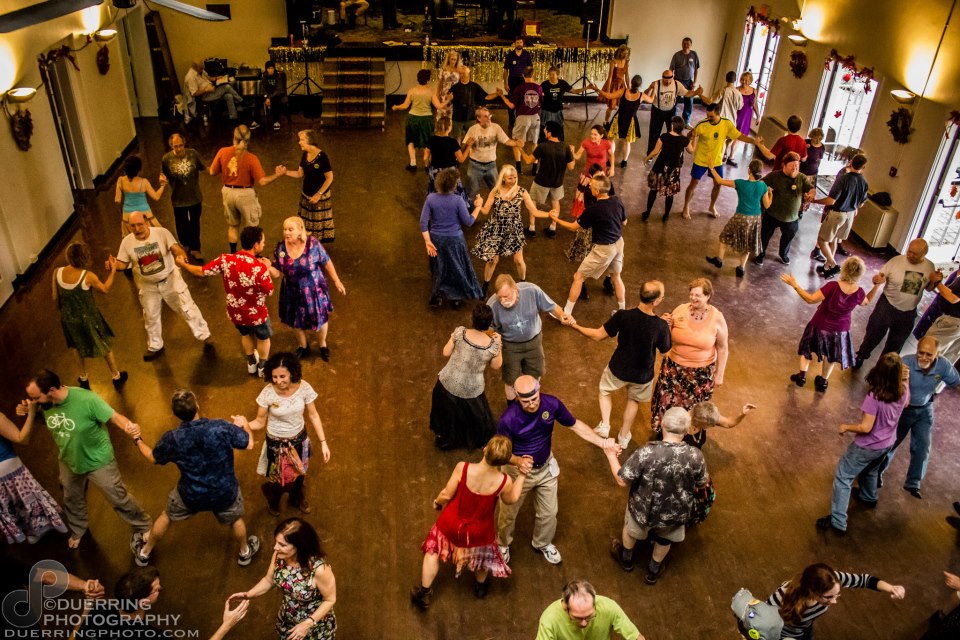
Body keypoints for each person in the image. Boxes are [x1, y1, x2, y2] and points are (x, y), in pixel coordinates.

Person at [128, 389, 259, 567]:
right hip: (224, 492)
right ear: (197, 405)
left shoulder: (172, 438)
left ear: (175, 413)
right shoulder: (220, 427)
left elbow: (153, 458)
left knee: (166, 516)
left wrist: (137, 439)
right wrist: (243, 424)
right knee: (236, 519)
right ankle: (245, 552)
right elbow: (249, 444)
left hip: (190, 494)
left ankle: (144, 553)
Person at [21, 369, 151, 549]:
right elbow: (48, 420)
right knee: (71, 497)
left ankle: (144, 524)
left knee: (118, 497)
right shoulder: (45, 405)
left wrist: (131, 428)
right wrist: (28, 412)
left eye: (35, 398)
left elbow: (114, 416)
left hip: (98, 460)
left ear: (51, 390)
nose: (33, 402)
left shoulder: (87, 399)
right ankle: (79, 528)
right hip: (69, 459)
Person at [496, 375, 618, 565]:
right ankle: (502, 544)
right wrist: (518, 461)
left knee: (549, 513)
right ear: (517, 397)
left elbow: (575, 425)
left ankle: (542, 543)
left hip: (545, 468)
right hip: (517, 472)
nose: (531, 404)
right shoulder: (508, 419)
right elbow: (501, 453)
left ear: (539, 390)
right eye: (525, 401)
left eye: (534, 398)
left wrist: (602, 443)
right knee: (508, 514)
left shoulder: (551, 404)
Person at [411, 435, 529, 609]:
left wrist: (437, 502)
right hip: (479, 531)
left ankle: (424, 593)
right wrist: (522, 475)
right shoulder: (503, 481)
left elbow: (446, 494)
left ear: (485, 450)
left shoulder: (463, 468)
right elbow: (511, 499)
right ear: (503, 461)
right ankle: (480, 589)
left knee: (433, 550)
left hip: (451, 523)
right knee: (481, 560)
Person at [606, 407, 709, 585]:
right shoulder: (696, 455)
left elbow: (623, 480)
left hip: (643, 509)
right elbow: (702, 483)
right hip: (675, 513)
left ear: (662, 424)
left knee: (632, 531)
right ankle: (653, 570)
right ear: (687, 430)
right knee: (664, 539)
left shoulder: (646, 452)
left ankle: (626, 559)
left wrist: (610, 455)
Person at [568, 280, 671, 449]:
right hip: (643, 374)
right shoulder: (660, 326)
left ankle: (605, 425)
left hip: (618, 368)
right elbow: (665, 352)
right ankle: (623, 436)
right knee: (633, 400)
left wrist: (575, 325)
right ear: (657, 301)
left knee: (604, 390)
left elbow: (597, 335)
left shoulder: (623, 316)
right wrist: (666, 327)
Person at [816, 353, 909, 533]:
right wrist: (907, 381)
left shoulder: (874, 397)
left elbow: (866, 427)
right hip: (888, 443)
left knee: (844, 478)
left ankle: (838, 521)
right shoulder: (904, 388)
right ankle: (869, 497)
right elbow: (906, 405)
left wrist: (846, 427)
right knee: (871, 469)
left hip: (867, 446)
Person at [114, 212, 213, 361]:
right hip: (147, 286)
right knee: (150, 316)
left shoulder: (161, 233)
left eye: (140, 224)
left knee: (187, 308)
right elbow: (122, 263)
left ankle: (205, 336)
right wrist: (114, 265)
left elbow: (175, 248)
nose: (137, 229)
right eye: (133, 226)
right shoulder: (127, 242)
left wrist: (180, 255)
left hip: (170, 281)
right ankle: (155, 346)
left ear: (146, 222)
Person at [240, 353, 330, 516]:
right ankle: (273, 500)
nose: (278, 381)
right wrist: (244, 424)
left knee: (300, 473)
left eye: (283, 376)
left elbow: (313, 415)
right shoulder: (267, 393)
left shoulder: (304, 388)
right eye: (274, 377)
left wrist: (323, 442)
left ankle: (297, 496)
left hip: (300, 441)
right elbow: (259, 422)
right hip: (276, 445)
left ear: (292, 373)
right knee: (278, 480)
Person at [177, 226, 274, 377]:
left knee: (246, 335)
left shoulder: (225, 260)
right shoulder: (259, 268)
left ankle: (251, 363)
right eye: (263, 242)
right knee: (263, 338)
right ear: (256, 245)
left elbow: (201, 271)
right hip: (257, 314)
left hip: (236, 313)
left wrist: (183, 264)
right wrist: (266, 267)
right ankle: (263, 367)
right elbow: (270, 291)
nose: (264, 244)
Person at [876, 336, 960, 499]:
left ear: (938, 353)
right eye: (921, 353)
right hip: (903, 410)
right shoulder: (904, 363)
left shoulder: (943, 365)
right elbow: (881, 382)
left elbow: (956, 382)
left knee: (923, 445)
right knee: (890, 444)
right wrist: (898, 379)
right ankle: (877, 473)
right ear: (916, 351)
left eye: (929, 354)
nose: (924, 357)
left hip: (925, 408)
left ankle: (913, 483)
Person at [782, 257, 880, 392]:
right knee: (832, 356)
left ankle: (802, 376)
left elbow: (810, 300)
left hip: (820, 324)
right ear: (859, 273)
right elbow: (866, 302)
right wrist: (877, 285)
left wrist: (795, 285)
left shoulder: (832, 286)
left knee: (808, 348)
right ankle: (823, 382)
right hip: (840, 330)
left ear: (844, 269)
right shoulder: (859, 292)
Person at [231, 518, 337, 640]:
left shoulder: (319, 570)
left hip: (314, 624)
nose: (275, 547)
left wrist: (307, 623)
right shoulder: (279, 556)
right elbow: (269, 580)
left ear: (299, 546)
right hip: (289, 616)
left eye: (282, 545)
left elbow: (330, 600)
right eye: (276, 542)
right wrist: (249, 594)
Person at [650, 278, 729, 432]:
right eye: (691, 294)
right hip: (673, 369)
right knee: (667, 403)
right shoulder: (680, 310)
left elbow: (723, 347)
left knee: (694, 408)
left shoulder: (717, 318)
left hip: (700, 375)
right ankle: (666, 432)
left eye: (698, 295)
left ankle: (687, 435)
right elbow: (665, 337)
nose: (693, 298)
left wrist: (720, 374)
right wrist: (664, 324)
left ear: (707, 296)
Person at [854, 238, 939, 368]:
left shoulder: (929, 267)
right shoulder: (896, 261)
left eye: (914, 254)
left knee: (895, 344)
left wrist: (933, 282)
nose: (909, 255)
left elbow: (929, 288)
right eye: (909, 251)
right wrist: (877, 279)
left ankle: (883, 369)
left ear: (924, 254)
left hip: (908, 312)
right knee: (873, 334)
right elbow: (879, 277)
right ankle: (861, 356)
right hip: (887, 305)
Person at [270, 217, 346, 361]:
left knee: (321, 319)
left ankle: (323, 344)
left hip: (314, 291)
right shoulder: (281, 248)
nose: (286, 232)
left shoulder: (313, 244)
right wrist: (267, 267)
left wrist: (337, 280)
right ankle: (303, 346)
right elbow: (277, 272)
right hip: (291, 292)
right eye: (285, 229)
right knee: (294, 320)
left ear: (300, 230)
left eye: (290, 229)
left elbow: (327, 261)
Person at [54, 242, 127, 390]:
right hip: (89, 318)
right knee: (104, 344)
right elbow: (105, 289)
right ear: (85, 257)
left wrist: (63, 314)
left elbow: (55, 297)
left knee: (76, 346)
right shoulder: (88, 276)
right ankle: (116, 376)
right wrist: (113, 271)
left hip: (69, 318)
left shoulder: (57, 272)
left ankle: (83, 378)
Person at [472, 164, 555, 293]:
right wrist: (479, 205)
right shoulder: (496, 191)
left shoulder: (521, 192)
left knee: (518, 260)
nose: (513, 180)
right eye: (510, 178)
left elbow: (535, 211)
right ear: (503, 178)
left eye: (515, 177)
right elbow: (485, 211)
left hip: (513, 230)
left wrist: (549, 214)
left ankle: (523, 283)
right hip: (496, 229)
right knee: (493, 260)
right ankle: (485, 285)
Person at [429, 304, 503, 450]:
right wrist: (499, 345)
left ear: (472, 318)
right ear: (489, 323)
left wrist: (452, 337)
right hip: (472, 389)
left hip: (447, 383)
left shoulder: (460, 332)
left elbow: (445, 352)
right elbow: (496, 366)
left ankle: (446, 439)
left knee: (447, 414)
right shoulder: (492, 345)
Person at [551, 174, 627, 314]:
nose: (590, 188)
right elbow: (624, 221)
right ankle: (622, 312)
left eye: (591, 187)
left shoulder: (593, 210)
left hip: (604, 249)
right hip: (619, 244)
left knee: (578, 277)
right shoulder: (617, 201)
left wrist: (555, 219)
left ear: (597, 192)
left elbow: (573, 227)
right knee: (616, 277)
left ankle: (566, 313)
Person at [487, 275, 569, 401]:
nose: (503, 301)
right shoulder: (492, 305)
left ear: (515, 289)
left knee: (536, 373)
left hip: (534, 342)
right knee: (510, 379)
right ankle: (512, 407)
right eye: (500, 297)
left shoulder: (532, 291)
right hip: (510, 346)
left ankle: (532, 400)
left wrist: (562, 315)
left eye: (506, 296)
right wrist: (493, 337)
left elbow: (551, 306)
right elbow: (488, 328)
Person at [768, 563, 905, 638]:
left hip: (805, 629)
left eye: (837, 594)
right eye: (828, 597)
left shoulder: (832, 580)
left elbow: (865, 580)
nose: (834, 601)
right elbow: (764, 622)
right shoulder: (783, 598)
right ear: (812, 592)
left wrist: (891, 588)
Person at [210, 125, 287, 252]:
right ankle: (252, 255)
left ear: (233, 137)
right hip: (245, 194)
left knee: (233, 226)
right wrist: (277, 175)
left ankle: (233, 254)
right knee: (252, 227)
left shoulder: (222, 151)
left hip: (228, 192)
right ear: (248, 140)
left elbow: (212, 171)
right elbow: (262, 181)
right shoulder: (251, 158)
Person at [682, 102, 760, 219]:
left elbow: (739, 136)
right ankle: (686, 206)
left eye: (711, 116)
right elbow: (689, 138)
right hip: (701, 160)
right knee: (694, 184)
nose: (708, 118)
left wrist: (753, 141)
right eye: (707, 115)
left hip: (717, 161)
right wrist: (690, 135)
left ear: (718, 113)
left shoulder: (726, 124)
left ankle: (712, 206)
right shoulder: (702, 124)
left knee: (718, 185)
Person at [0, 410, 67, 543]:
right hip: (9, 468)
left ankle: (28, 531)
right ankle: (35, 530)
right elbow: (22, 438)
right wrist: (32, 412)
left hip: (7, 469)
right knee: (25, 503)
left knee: (11, 507)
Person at [421, 167, 482, 308]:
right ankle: (456, 298)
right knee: (457, 268)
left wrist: (428, 241)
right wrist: (478, 206)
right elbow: (469, 222)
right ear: (454, 185)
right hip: (455, 240)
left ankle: (437, 296)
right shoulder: (457, 200)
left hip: (436, 240)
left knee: (438, 268)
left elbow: (423, 223)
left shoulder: (430, 198)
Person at [704, 160, 773, 278]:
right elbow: (767, 205)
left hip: (740, 216)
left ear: (749, 170)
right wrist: (770, 194)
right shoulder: (763, 186)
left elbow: (719, 181)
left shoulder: (740, 183)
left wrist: (711, 168)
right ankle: (741, 269)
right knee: (747, 244)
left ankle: (719, 260)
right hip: (755, 219)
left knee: (724, 236)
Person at [754, 151, 816, 266]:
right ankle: (760, 254)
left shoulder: (801, 178)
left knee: (787, 239)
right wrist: (765, 189)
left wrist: (810, 195)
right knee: (764, 236)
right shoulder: (774, 175)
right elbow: (761, 183)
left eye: (797, 166)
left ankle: (783, 254)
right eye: (792, 165)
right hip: (772, 214)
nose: (795, 168)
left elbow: (811, 188)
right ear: (784, 165)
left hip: (791, 218)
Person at [813, 154, 869, 278]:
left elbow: (831, 201)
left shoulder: (844, 179)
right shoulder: (864, 182)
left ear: (851, 162)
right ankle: (827, 268)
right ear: (863, 167)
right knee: (835, 240)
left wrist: (814, 201)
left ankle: (833, 264)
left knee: (822, 240)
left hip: (837, 214)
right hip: (850, 215)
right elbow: (861, 204)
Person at [535, 580, 645, 640]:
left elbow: (635, 636)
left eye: (589, 616)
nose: (584, 623)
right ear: (565, 607)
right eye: (577, 618)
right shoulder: (549, 619)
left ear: (594, 603)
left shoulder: (609, 607)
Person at [77, 566, 167, 637]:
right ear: (144, 603)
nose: (160, 588)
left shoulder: (98, 611)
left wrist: (89, 604)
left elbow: (74, 637)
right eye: (157, 589)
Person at [521, 120, 575, 237]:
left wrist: (520, 148)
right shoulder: (565, 147)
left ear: (549, 133)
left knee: (533, 202)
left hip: (541, 181)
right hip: (557, 182)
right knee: (555, 202)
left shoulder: (543, 146)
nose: (544, 131)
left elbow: (528, 160)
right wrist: (572, 152)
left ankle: (531, 228)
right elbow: (571, 166)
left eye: (545, 129)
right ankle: (552, 228)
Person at [282, 130, 335, 243]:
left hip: (319, 199)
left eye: (302, 140)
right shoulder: (305, 155)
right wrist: (285, 172)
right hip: (306, 196)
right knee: (306, 225)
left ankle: (316, 249)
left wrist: (318, 194)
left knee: (317, 226)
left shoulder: (322, 157)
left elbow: (329, 177)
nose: (299, 143)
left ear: (310, 141)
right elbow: (300, 173)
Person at [392, 69, 448, 172]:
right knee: (427, 142)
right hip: (426, 120)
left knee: (411, 140)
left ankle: (413, 163)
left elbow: (405, 106)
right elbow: (439, 106)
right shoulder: (430, 92)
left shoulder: (412, 91)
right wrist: (449, 99)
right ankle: (427, 165)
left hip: (413, 119)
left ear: (417, 79)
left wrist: (396, 107)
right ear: (428, 80)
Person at [160, 133, 205, 261]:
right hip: (178, 198)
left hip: (194, 196)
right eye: (176, 146)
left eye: (180, 146)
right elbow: (163, 174)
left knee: (195, 223)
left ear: (184, 144)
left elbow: (203, 167)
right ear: (171, 146)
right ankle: (185, 244)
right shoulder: (166, 159)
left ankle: (195, 248)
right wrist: (162, 180)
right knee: (181, 224)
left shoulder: (193, 154)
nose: (179, 149)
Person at [462, 106, 522, 200]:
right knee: (471, 194)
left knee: (497, 192)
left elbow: (506, 141)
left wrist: (516, 143)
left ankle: (498, 211)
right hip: (475, 166)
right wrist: (468, 145)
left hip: (491, 166)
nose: (489, 118)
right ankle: (470, 212)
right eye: (485, 116)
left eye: (489, 116)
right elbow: (463, 146)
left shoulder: (496, 127)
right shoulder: (473, 129)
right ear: (478, 118)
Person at [597, 74, 653, 169]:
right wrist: (653, 88)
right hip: (631, 121)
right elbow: (651, 100)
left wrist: (597, 89)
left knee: (611, 139)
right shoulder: (641, 95)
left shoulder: (623, 91)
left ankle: (610, 161)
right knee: (627, 143)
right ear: (640, 85)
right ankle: (624, 162)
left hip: (619, 118)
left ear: (631, 82)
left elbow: (609, 96)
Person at [498, 66, 543, 173]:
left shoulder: (520, 88)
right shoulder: (539, 88)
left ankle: (518, 168)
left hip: (523, 117)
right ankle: (534, 169)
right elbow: (540, 102)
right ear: (533, 75)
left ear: (523, 75)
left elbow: (511, 106)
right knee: (534, 143)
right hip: (536, 118)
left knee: (517, 142)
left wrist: (501, 95)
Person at [642, 116, 688, 221]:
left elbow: (655, 151)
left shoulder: (664, 136)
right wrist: (693, 138)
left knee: (653, 191)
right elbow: (691, 150)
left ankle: (647, 213)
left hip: (660, 168)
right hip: (673, 171)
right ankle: (666, 215)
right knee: (670, 194)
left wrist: (647, 158)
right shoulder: (684, 140)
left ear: (672, 126)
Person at [645, 69, 700, 154]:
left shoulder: (677, 84)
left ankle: (669, 152)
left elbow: (687, 93)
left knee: (673, 132)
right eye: (665, 80)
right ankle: (651, 153)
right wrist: (650, 87)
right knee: (654, 133)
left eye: (669, 80)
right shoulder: (656, 84)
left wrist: (696, 92)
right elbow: (646, 95)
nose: (667, 82)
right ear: (662, 78)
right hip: (657, 111)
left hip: (671, 111)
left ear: (672, 78)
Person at [115, 155, 165, 237]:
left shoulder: (120, 180)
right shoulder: (143, 182)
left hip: (127, 216)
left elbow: (117, 200)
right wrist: (163, 185)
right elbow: (156, 197)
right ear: (138, 169)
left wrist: (121, 210)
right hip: (145, 215)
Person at [540, 66, 591, 143]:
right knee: (544, 127)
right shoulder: (544, 84)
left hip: (558, 110)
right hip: (546, 110)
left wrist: (586, 88)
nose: (551, 76)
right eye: (550, 74)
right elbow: (538, 93)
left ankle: (559, 144)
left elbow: (575, 91)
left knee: (559, 128)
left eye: (553, 74)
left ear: (557, 75)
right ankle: (543, 144)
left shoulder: (562, 84)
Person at [448, 67, 498, 141]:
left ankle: (468, 152)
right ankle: (458, 153)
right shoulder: (455, 87)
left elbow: (486, 97)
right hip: (457, 118)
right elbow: (448, 99)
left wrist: (497, 94)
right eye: (460, 73)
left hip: (470, 117)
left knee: (471, 139)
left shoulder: (474, 86)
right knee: (456, 139)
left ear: (468, 74)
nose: (461, 75)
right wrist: (448, 98)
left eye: (463, 73)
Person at [425, 117, 469, 202]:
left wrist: (428, 166)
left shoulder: (432, 140)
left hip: (435, 172)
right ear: (449, 128)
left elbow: (425, 157)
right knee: (455, 194)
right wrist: (469, 146)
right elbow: (461, 159)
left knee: (435, 194)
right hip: (450, 173)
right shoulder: (452, 142)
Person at [685, 401, 755, 449]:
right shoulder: (679, 425)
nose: (713, 426)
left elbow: (728, 423)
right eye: (711, 425)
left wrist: (742, 414)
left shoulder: (707, 414)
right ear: (700, 422)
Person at [727, 71, 759, 165]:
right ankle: (727, 151)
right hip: (737, 115)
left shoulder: (754, 91)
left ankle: (731, 156)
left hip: (746, 117)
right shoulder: (736, 90)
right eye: (743, 79)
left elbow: (755, 104)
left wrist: (758, 116)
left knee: (739, 137)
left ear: (750, 81)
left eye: (747, 80)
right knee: (732, 136)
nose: (744, 82)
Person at [503, 37, 533, 129]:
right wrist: (505, 83)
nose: (519, 44)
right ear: (514, 43)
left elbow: (530, 69)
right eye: (517, 42)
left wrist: (530, 82)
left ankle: (520, 122)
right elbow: (505, 70)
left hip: (523, 80)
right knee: (511, 101)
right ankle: (511, 122)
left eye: (521, 42)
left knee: (522, 102)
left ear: (523, 44)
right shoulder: (510, 55)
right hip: (512, 80)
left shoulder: (527, 55)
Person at [669, 38, 700, 124]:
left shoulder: (694, 55)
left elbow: (696, 69)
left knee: (689, 102)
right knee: (674, 101)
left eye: (688, 44)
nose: (686, 45)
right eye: (684, 44)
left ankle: (686, 121)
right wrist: (670, 81)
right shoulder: (677, 55)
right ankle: (673, 120)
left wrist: (695, 82)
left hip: (689, 82)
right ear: (682, 44)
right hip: (677, 81)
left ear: (691, 45)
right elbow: (671, 69)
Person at [599, 45, 631, 123]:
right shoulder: (613, 62)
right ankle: (606, 121)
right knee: (611, 106)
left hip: (621, 86)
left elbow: (627, 76)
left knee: (622, 105)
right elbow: (610, 77)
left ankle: (619, 122)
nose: (626, 55)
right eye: (624, 53)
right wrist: (608, 91)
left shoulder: (626, 62)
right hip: (613, 85)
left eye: (627, 53)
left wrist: (629, 88)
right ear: (620, 53)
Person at [435, 50, 462, 122]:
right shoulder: (444, 69)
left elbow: (461, 83)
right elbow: (440, 84)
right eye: (452, 59)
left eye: (455, 59)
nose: (453, 61)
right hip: (444, 94)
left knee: (453, 115)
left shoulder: (459, 70)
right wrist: (437, 95)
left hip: (455, 95)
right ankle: (441, 130)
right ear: (449, 59)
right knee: (442, 113)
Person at [260, 61, 288, 130]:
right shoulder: (264, 76)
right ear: (266, 69)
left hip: (277, 94)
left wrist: (269, 97)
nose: (271, 70)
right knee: (257, 99)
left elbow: (279, 90)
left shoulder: (278, 76)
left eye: (272, 68)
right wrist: (266, 97)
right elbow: (263, 88)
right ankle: (256, 121)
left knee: (275, 100)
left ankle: (276, 121)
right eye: (269, 68)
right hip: (268, 95)